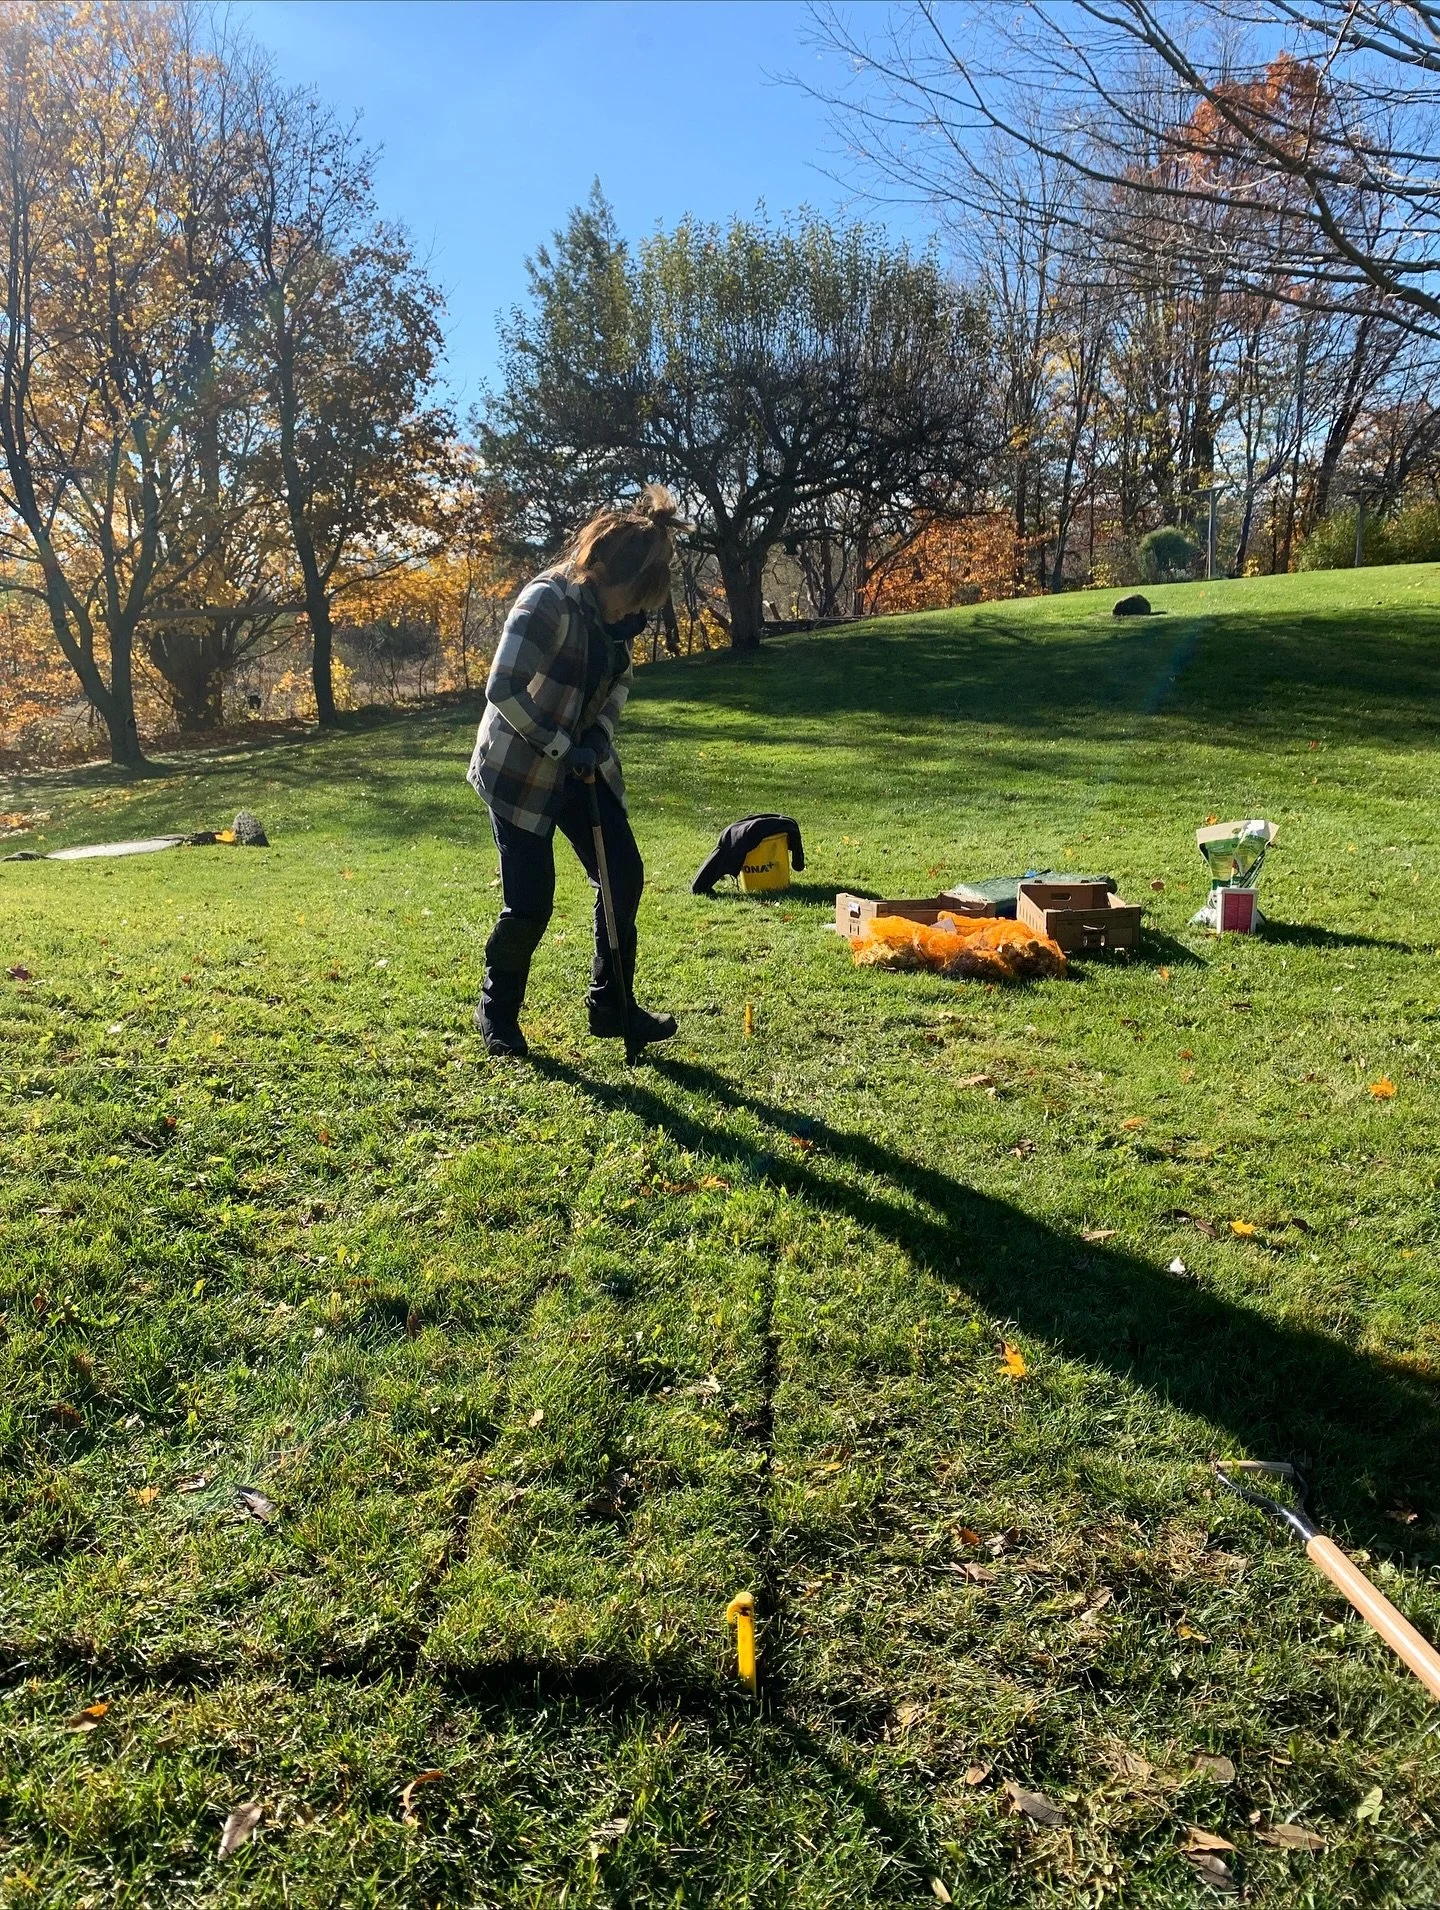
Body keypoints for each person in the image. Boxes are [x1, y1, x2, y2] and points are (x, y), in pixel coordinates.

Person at [466, 485, 684, 1058]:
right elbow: (503, 689)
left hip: (581, 765)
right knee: (531, 901)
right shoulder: (547, 602)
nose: (636, 615)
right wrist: (563, 744)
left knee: (622, 875)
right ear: (600, 569)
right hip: (518, 770)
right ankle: (498, 1013)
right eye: (632, 600)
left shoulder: (616, 620)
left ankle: (612, 1005)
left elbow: (620, 683)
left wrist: (596, 736)